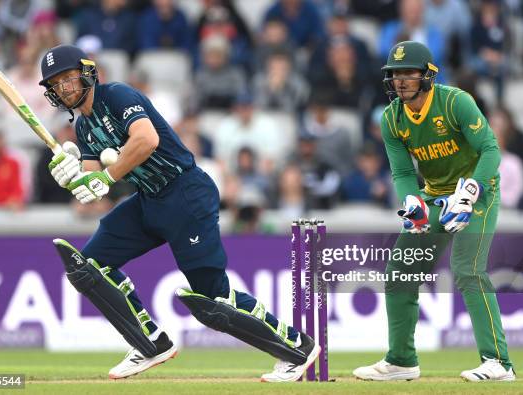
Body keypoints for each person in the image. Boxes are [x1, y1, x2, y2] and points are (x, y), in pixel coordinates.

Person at [38, 44, 318, 382]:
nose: (65, 88)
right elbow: (92, 188)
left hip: (186, 193)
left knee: (211, 299)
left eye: (68, 78)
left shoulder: (117, 96)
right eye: (56, 84)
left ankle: (296, 348)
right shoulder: (83, 128)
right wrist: (71, 176)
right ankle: (150, 343)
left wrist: (105, 177)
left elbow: (146, 140)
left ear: (86, 73)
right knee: (87, 268)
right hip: (148, 200)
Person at [353, 41, 515, 382]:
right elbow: (401, 173)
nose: (400, 81)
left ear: (428, 75)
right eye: (395, 74)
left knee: (467, 269)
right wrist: (412, 204)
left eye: (408, 73)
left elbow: (490, 149)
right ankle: (401, 361)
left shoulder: (456, 102)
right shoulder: (391, 118)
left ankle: (498, 362)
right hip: (435, 195)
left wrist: (471, 190)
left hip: (478, 193)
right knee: (400, 272)